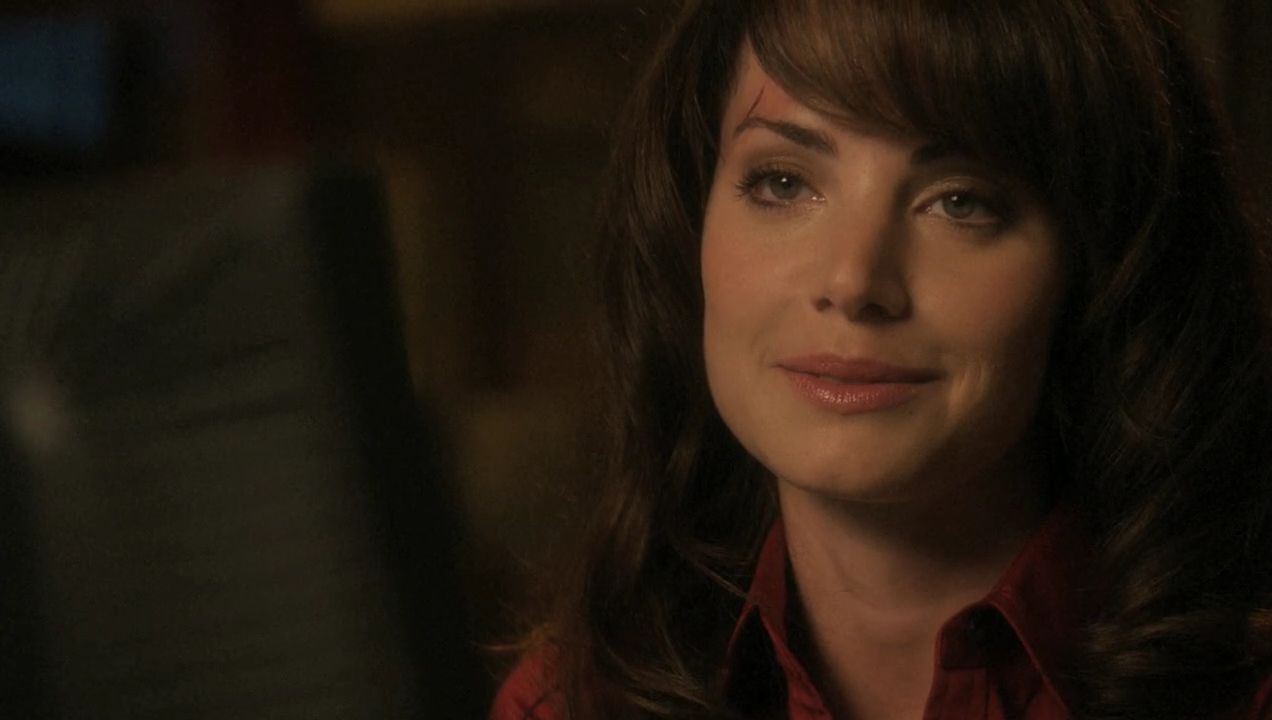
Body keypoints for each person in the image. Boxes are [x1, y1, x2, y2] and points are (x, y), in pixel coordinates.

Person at [492, 0, 1272, 718]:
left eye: (960, 201)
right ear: (688, 225)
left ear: (1100, 270)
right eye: (783, 183)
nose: (854, 281)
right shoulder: (574, 703)